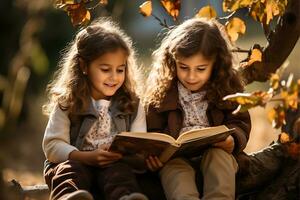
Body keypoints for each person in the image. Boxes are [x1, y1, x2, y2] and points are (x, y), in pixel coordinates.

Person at [143, 18, 251, 200]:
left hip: (217, 152)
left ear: (216, 63)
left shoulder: (227, 87)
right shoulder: (163, 91)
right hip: (176, 159)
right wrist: (155, 157)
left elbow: (240, 121)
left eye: (201, 69)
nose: (191, 76)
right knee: (175, 174)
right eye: (183, 67)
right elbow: (153, 133)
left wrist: (233, 140)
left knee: (218, 160)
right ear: (173, 61)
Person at [42, 18, 148, 200]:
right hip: (76, 162)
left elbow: (140, 142)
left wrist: (126, 153)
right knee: (68, 173)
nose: (114, 77)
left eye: (120, 70)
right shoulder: (68, 102)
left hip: (114, 165)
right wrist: (84, 157)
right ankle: (71, 198)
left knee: (121, 175)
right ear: (84, 66)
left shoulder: (132, 104)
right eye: (106, 69)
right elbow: (52, 146)